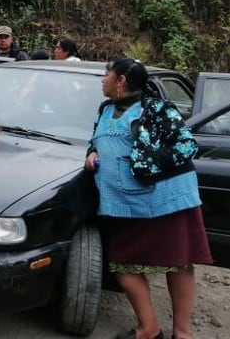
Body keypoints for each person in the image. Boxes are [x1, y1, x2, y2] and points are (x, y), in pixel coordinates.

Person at [84, 57, 212, 339]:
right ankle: (149, 328)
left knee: (177, 262)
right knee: (123, 264)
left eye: (107, 73)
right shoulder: (105, 109)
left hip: (167, 199)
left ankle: (182, 333)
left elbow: (187, 145)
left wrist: (145, 163)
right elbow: (97, 140)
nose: (102, 78)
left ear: (120, 81)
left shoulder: (157, 110)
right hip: (124, 202)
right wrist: (91, 153)